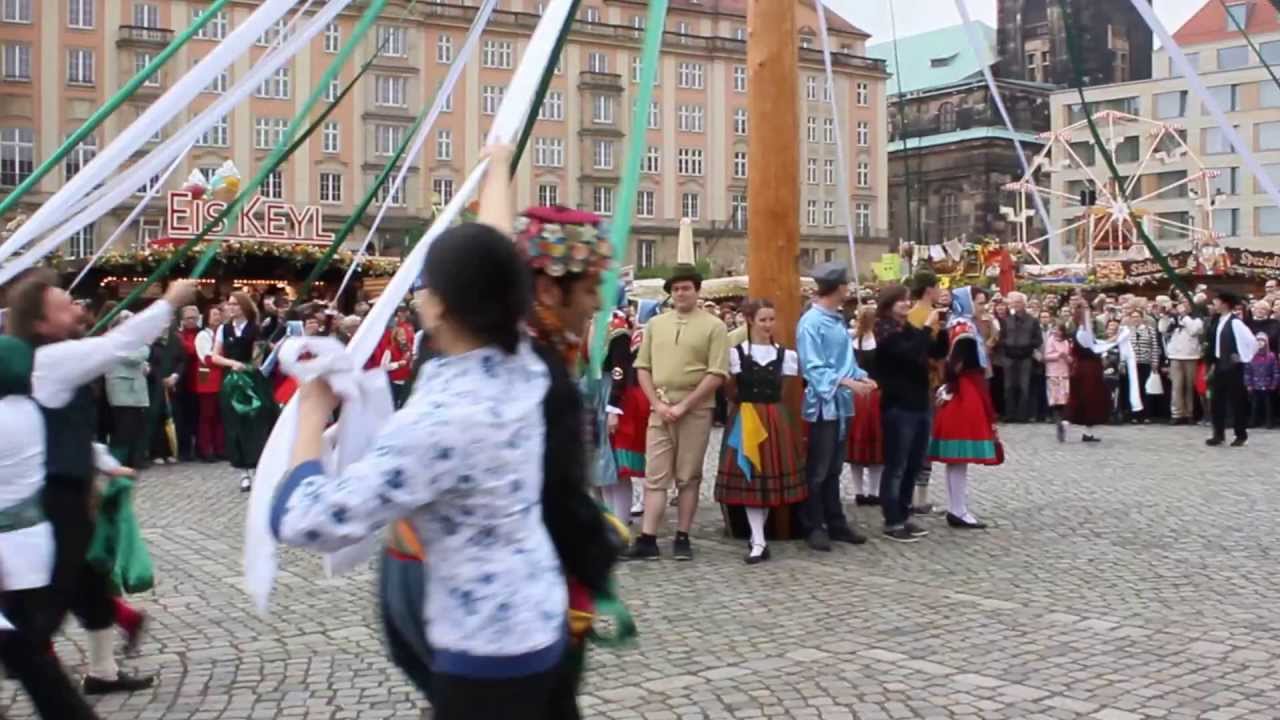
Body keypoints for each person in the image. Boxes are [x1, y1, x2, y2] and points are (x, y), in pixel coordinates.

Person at [274, 149, 605, 719]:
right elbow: (496, 256)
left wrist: (310, 414)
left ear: (441, 306)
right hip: (539, 621)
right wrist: (498, 169)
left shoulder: (438, 419)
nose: (417, 295)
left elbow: (309, 519)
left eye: (424, 286)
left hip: (485, 653)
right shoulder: (527, 367)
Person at [7, 270, 198, 695]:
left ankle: (103, 672)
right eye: (65, 307)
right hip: (53, 501)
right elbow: (118, 345)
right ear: (39, 323)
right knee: (44, 605)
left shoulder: (50, 359)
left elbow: (62, 428)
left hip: (67, 494)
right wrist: (169, 302)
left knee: (89, 584)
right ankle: (41, 677)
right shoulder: (50, 359)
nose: (78, 310)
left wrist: (106, 463)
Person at [0, 336, 103, 719]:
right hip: (33, 547)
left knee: (24, 649)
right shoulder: (31, 411)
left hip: (16, 546)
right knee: (26, 648)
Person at [628, 263, 728, 562]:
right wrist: (657, 404)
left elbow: (716, 373)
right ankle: (648, 538)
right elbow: (642, 367)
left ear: (697, 291)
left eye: (686, 288)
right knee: (655, 476)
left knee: (688, 476)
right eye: (676, 289)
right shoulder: (656, 324)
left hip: (695, 409)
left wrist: (685, 405)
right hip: (660, 406)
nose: (681, 293)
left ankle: (682, 536)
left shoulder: (714, 326)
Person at [715, 299, 806, 564]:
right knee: (750, 476)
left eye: (771, 319)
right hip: (746, 417)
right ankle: (758, 539)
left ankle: (759, 538)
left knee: (765, 478)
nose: (768, 325)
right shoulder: (736, 354)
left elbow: (785, 390)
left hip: (773, 418)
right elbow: (729, 390)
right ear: (750, 320)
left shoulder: (786, 356)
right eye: (763, 319)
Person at [796, 264, 876, 552]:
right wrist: (845, 382)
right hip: (823, 404)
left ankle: (835, 521)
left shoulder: (837, 320)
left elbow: (845, 360)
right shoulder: (811, 322)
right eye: (846, 284)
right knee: (818, 468)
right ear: (838, 288)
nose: (848, 289)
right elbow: (812, 366)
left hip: (841, 402)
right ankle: (814, 524)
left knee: (833, 467)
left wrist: (860, 376)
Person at [875, 283, 948, 543]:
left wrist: (942, 330)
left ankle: (904, 513)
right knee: (896, 464)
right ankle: (892, 519)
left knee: (914, 463)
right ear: (889, 304)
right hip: (898, 405)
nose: (907, 304)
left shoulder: (908, 329)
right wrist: (926, 328)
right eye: (901, 301)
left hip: (919, 402)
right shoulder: (884, 330)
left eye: (908, 300)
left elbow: (934, 352)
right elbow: (909, 353)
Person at [928, 287, 999, 530]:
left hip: (962, 389)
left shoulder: (955, 324)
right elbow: (954, 363)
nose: (983, 307)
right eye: (979, 303)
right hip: (965, 391)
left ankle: (956, 507)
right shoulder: (964, 329)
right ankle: (958, 509)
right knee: (959, 454)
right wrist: (950, 384)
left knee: (956, 458)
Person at [211, 291, 274, 491]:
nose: (231, 308)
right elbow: (214, 356)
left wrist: (249, 364)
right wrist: (232, 363)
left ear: (244, 306)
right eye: (229, 304)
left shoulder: (255, 329)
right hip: (231, 380)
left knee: (255, 423)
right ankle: (243, 472)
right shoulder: (223, 329)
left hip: (252, 380)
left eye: (235, 304)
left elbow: (257, 359)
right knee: (234, 423)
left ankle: (257, 467)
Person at [604, 312, 648, 523]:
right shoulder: (591, 322)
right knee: (602, 470)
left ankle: (619, 522)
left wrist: (613, 406)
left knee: (616, 468)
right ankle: (608, 519)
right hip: (595, 395)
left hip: (614, 396)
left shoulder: (617, 328)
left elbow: (619, 369)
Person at [1206, 290, 1259, 447]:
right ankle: (1218, 434)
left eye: (1216, 301)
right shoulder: (1216, 320)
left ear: (1225, 304)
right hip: (1219, 364)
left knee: (1237, 401)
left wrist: (1242, 357)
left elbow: (1252, 341)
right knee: (1216, 401)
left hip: (1232, 367)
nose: (1214, 304)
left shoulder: (1235, 322)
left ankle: (1240, 434)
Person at [1060, 297, 1112, 443]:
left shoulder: (1078, 332)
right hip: (1089, 369)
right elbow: (1094, 348)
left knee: (1077, 398)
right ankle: (1076, 427)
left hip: (1079, 369)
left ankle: (1073, 426)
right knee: (1090, 399)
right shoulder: (1083, 333)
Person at [104, 312, 152, 469]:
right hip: (122, 389)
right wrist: (146, 345)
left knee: (136, 427)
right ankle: (120, 461)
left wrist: (145, 365)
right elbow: (135, 357)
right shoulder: (115, 339)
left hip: (135, 389)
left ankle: (134, 460)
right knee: (123, 428)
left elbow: (139, 361)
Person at [848, 305, 884, 507]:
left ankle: (861, 491)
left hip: (863, 396)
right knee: (871, 445)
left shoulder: (856, 341)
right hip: (868, 395)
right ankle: (871, 491)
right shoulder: (856, 340)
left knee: (862, 445)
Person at [999, 292, 1042, 423]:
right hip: (1009, 357)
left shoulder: (1033, 321)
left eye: (1018, 302)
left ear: (1024, 304)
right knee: (1008, 387)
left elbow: (1038, 340)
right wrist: (1007, 346)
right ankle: (1009, 414)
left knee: (1024, 387)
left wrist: (1027, 346)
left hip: (1025, 357)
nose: (1015, 304)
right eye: (1013, 302)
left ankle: (1022, 415)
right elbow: (1001, 338)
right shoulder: (1006, 320)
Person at [1159, 300, 1204, 425]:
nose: (1183, 307)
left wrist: (1184, 316)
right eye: (1181, 305)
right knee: (1176, 386)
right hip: (1175, 356)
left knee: (1189, 386)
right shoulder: (1174, 319)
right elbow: (1162, 329)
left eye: (1186, 305)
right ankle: (1176, 413)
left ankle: (1189, 413)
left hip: (1191, 356)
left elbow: (1194, 330)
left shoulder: (1196, 319)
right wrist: (1165, 315)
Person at [193, 305, 226, 461]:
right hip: (207, 378)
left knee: (219, 416)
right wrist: (225, 360)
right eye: (214, 314)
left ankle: (219, 448)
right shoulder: (203, 335)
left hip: (220, 379)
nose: (217, 317)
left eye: (219, 314)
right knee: (207, 416)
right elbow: (206, 358)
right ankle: (206, 448)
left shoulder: (222, 334)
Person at [173, 305, 203, 461]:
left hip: (200, 381)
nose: (191, 320)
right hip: (182, 381)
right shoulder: (177, 335)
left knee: (198, 417)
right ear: (182, 320)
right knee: (182, 418)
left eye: (194, 318)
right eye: (188, 318)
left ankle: (199, 449)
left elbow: (195, 351)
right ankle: (184, 451)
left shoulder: (203, 333)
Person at [1245, 332, 1279, 428]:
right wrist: (1248, 384)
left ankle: (1269, 421)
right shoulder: (1251, 356)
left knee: (1268, 405)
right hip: (1255, 385)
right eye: (1258, 341)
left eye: (1262, 341)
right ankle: (1253, 421)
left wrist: (1274, 384)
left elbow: (1276, 371)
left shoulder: (1271, 356)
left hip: (1267, 385)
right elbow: (1247, 372)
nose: (1260, 343)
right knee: (1255, 405)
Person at [380, 323, 413, 408]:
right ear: (395, 337)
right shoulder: (390, 350)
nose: (403, 337)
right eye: (400, 335)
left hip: (406, 382)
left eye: (404, 335)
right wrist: (397, 364)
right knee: (394, 405)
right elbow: (383, 366)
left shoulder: (408, 348)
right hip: (394, 383)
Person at [1044, 323, 1072, 423]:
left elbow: (1070, 357)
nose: (1057, 332)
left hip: (1064, 371)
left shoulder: (1066, 342)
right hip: (1053, 371)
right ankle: (1054, 414)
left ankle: (1063, 414)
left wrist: (1067, 358)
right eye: (1055, 329)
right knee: (1054, 394)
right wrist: (1058, 354)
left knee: (1064, 394)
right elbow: (1046, 356)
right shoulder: (1051, 340)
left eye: (1059, 330)